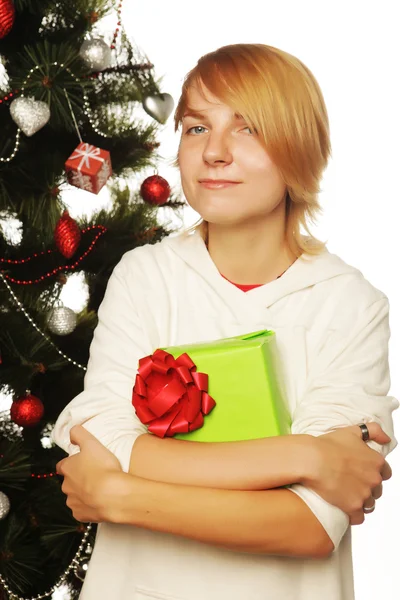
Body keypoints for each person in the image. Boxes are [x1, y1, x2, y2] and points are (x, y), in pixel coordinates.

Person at [53, 43, 398, 600]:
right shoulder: (144, 277)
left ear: (301, 151)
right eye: (195, 128)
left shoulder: (351, 305)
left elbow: (308, 526)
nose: (214, 152)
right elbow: (103, 443)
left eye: (248, 129)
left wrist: (120, 495)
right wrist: (304, 455)